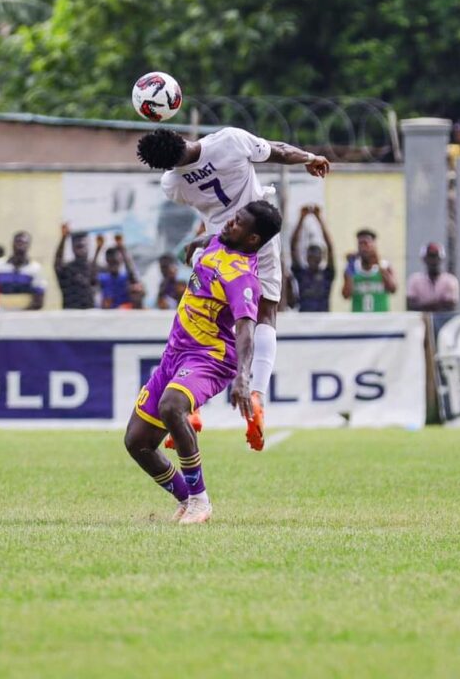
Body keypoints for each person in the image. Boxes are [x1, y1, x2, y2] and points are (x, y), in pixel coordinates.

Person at [136, 126, 330, 450]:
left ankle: (193, 407)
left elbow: (208, 207)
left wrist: (206, 236)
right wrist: (309, 158)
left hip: (215, 249)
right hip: (255, 238)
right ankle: (257, 396)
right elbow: (278, 149)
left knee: (204, 322)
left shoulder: (172, 183)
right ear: (179, 134)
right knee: (264, 315)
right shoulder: (229, 141)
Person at [124, 201, 282, 525]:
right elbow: (212, 239)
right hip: (175, 353)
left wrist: (243, 378)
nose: (228, 224)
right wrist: (199, 242)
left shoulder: (242, 277)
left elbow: (247, 329)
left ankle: (200, 501)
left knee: (172, 406)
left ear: (252, 240)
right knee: (137, 442)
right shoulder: (218, 242)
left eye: (237, 223)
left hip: (210, 357)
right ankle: (186, 498)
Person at [290, 204, 335, 312]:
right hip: (304, 321)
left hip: (324, 321)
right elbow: (293, 246)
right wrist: (301, 219)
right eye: (310, 255)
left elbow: (330, 248)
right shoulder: (301, 273)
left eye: (316, 254)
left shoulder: (327, 274)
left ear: (321, 257)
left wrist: (319, 219)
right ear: (306, 257)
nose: (313, 257)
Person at [0, 231, 46, 311]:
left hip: (26, 316)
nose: (20, 245)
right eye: (18, 241)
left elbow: (39, 300)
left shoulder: (35, 269)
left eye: (24, 242)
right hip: (2, 314)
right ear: (12, 244)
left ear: (29, 246)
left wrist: (21, 314)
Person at [342, 229, 396, 312]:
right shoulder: (352, 267)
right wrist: (349, 271)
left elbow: (393, 289)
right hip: (358, 320)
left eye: (366, 243)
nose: (363, 247)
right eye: (360, 244)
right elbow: (346, 295)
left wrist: (379, 264)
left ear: (374, 245)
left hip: (381, 320)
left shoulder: (385, 265)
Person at [54, 223, 98, 309]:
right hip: (71, 316)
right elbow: (57, 263)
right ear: (72, 247)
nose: (81, 248)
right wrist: (63, 239)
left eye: (83, 245)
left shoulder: (95, 268)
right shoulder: (67, 270)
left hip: (91, 316)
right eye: (78, 246)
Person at [406, 242, 458, 312]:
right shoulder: (414, 280)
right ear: (424, 259)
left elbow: (450, 307)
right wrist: (437, 304)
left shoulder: (450, 280)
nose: (433, 261)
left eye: (435, 256)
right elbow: (410, 306)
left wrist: (423, 305)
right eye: (430, 257)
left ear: (441, 259)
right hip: (420, 321)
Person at [98, 235, 140, 309]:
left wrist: (122, 249)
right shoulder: (103, 278)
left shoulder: (125, 278)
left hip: (125, 315)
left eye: (115, 262)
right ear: (107, 262)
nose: (113, 264)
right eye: (110, 262)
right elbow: (91, 279)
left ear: (120, 261)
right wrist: (98, 249)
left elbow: (133, 278)